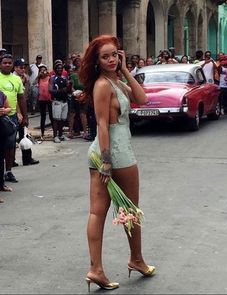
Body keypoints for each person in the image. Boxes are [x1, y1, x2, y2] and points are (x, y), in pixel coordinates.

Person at [79, 35, 155, 291]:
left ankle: (101, 268)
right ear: (97, 61)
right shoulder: (103, 85)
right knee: (126, 211)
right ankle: (133, 260)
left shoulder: (117, 81)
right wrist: (107, 162)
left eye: (115, 55)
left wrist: (124, 69)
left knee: (102, 211)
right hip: (115, 154)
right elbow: (102, 124)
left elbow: (142, 99)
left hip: (107, 153)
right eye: (105, 56)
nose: (111, 60)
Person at [0, 54, 28, 182]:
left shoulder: (16, 80)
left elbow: (21, 98)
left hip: (12, 117)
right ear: (0, 64)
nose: (7, 65)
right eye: (4, 62)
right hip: (0, 116)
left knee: (11, 145)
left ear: (12, 65)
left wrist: (24, 115)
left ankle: (9, 171)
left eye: (9, 63)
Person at [13, 58, 39, 166]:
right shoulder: (13, 78)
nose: (23, 70)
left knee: (24, 133)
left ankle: (27, 158)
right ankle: (12, 160)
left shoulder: (25, 78)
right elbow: (15, 98)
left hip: (24, 108)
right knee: (12, 137)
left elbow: (26, 95)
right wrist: (19, 112)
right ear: (15, 68)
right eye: (20, 68)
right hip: (15, 110)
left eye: (24, 68)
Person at [33, 64, 53, 140]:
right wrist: (38, 76)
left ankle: (55, 134)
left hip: (49, 99)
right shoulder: (39, 79)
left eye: (44, 70)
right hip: (41, 100)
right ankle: (42, 133)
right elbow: (33, 83)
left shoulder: (49, 78)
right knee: (43, 117)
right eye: (41, 70)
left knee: (51, 116)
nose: (43, 72)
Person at [0, 90, 13, 203]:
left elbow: (9, 108)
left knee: (1, 159)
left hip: (1, 130)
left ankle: (1, 185)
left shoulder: (1, 94)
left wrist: (4, 110)